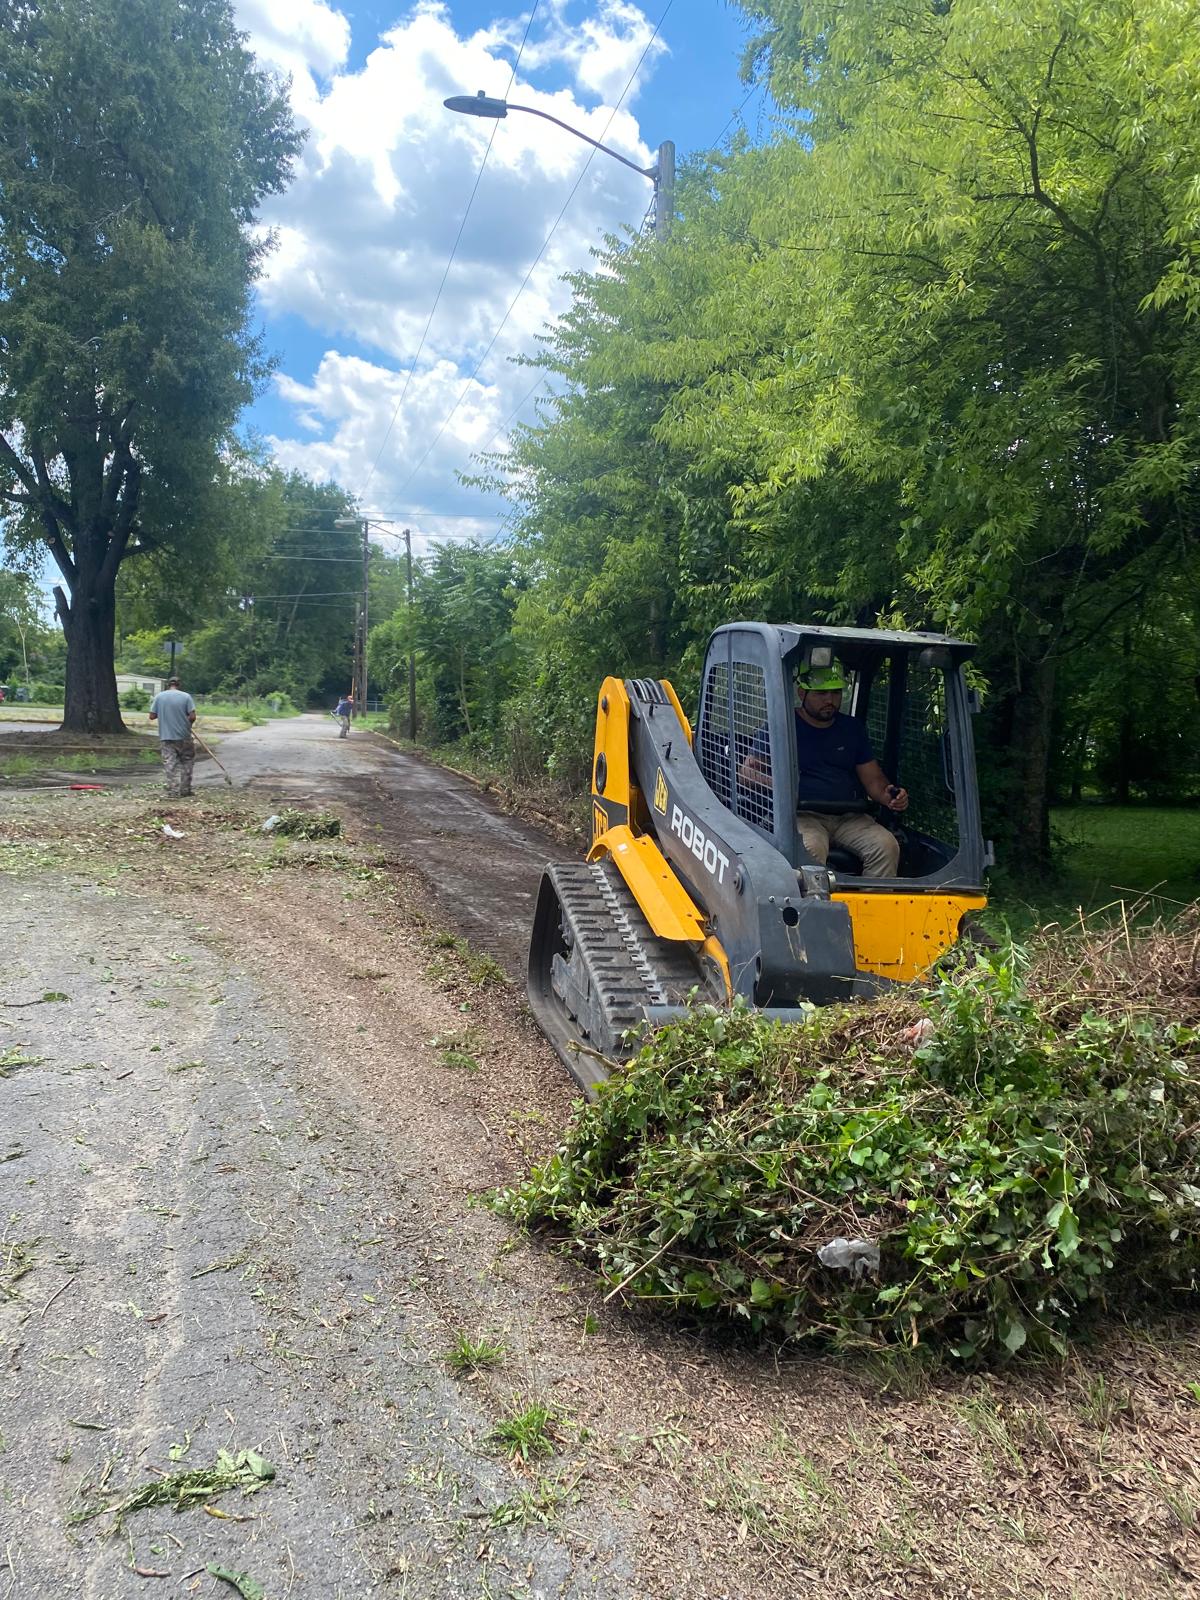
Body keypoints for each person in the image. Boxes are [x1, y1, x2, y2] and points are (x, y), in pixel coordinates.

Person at [739, 661, 909, 877]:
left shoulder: (852, 729)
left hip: (850, 816)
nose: (830, 700)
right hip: (801, 815)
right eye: (821, 694)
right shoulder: (781, 725)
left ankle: (874, 906)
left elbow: (874, 780)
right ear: (802, 693)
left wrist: (890, 796)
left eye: (835, 693)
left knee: (886, 845)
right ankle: (816, 908)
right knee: (810, 848)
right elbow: (746, 773)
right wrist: (781, 784)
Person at [148, 676, 197, 797]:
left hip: (167, 736)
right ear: (179, 685)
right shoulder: (186, 696)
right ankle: (186, 790)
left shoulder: (159, 697)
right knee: (187, 761)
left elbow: (152, 716)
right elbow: (192, 716)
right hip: (184, 736)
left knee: (170, 763)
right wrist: (188, 724)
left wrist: (165, 713)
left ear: (168, 685)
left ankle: (173, 791)